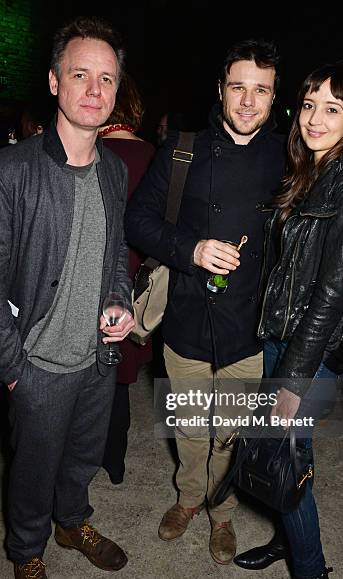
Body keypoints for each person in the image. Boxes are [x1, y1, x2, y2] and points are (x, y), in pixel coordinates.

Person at [124, 40, 343, 566]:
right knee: (189, 427)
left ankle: (222, 509)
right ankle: (188, 498)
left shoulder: (290, 155)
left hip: (250, 327)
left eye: (261, 90)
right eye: (238, 87)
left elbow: (325, 220)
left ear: (275, 97)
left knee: (231, 433)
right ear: (221, 90)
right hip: (188, 317)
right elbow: (138, 222)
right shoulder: (182, 149)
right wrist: (190, 248)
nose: (248, 101)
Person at [0, 16, 135, 579]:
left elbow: (114, 261)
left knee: (80, 458)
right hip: (36, 365)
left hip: (96, 361)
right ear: (55, 82)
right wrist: (12, 366)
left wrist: (119, 304)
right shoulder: (14, 170)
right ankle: (27, 554)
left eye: (106, 78)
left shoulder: (113, 169)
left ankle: (71, 522)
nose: (94, 88)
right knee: (31, 472)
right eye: (80, 74)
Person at [234, 64, 343, 579]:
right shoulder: (305, 174)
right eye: (310, 104)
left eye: (333, 108)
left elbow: (327, 297)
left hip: (309, 351)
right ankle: (288, 539)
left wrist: (294, 380)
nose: (316, 118)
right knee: (284, 459)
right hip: (284, 337)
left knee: (289, 459)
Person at [99, 71, 155, 484]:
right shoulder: (156, 156)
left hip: (95, 275)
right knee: (118, 379)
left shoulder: (87, 152)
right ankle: (115, 463)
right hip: (140, 281)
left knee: (84, 377)